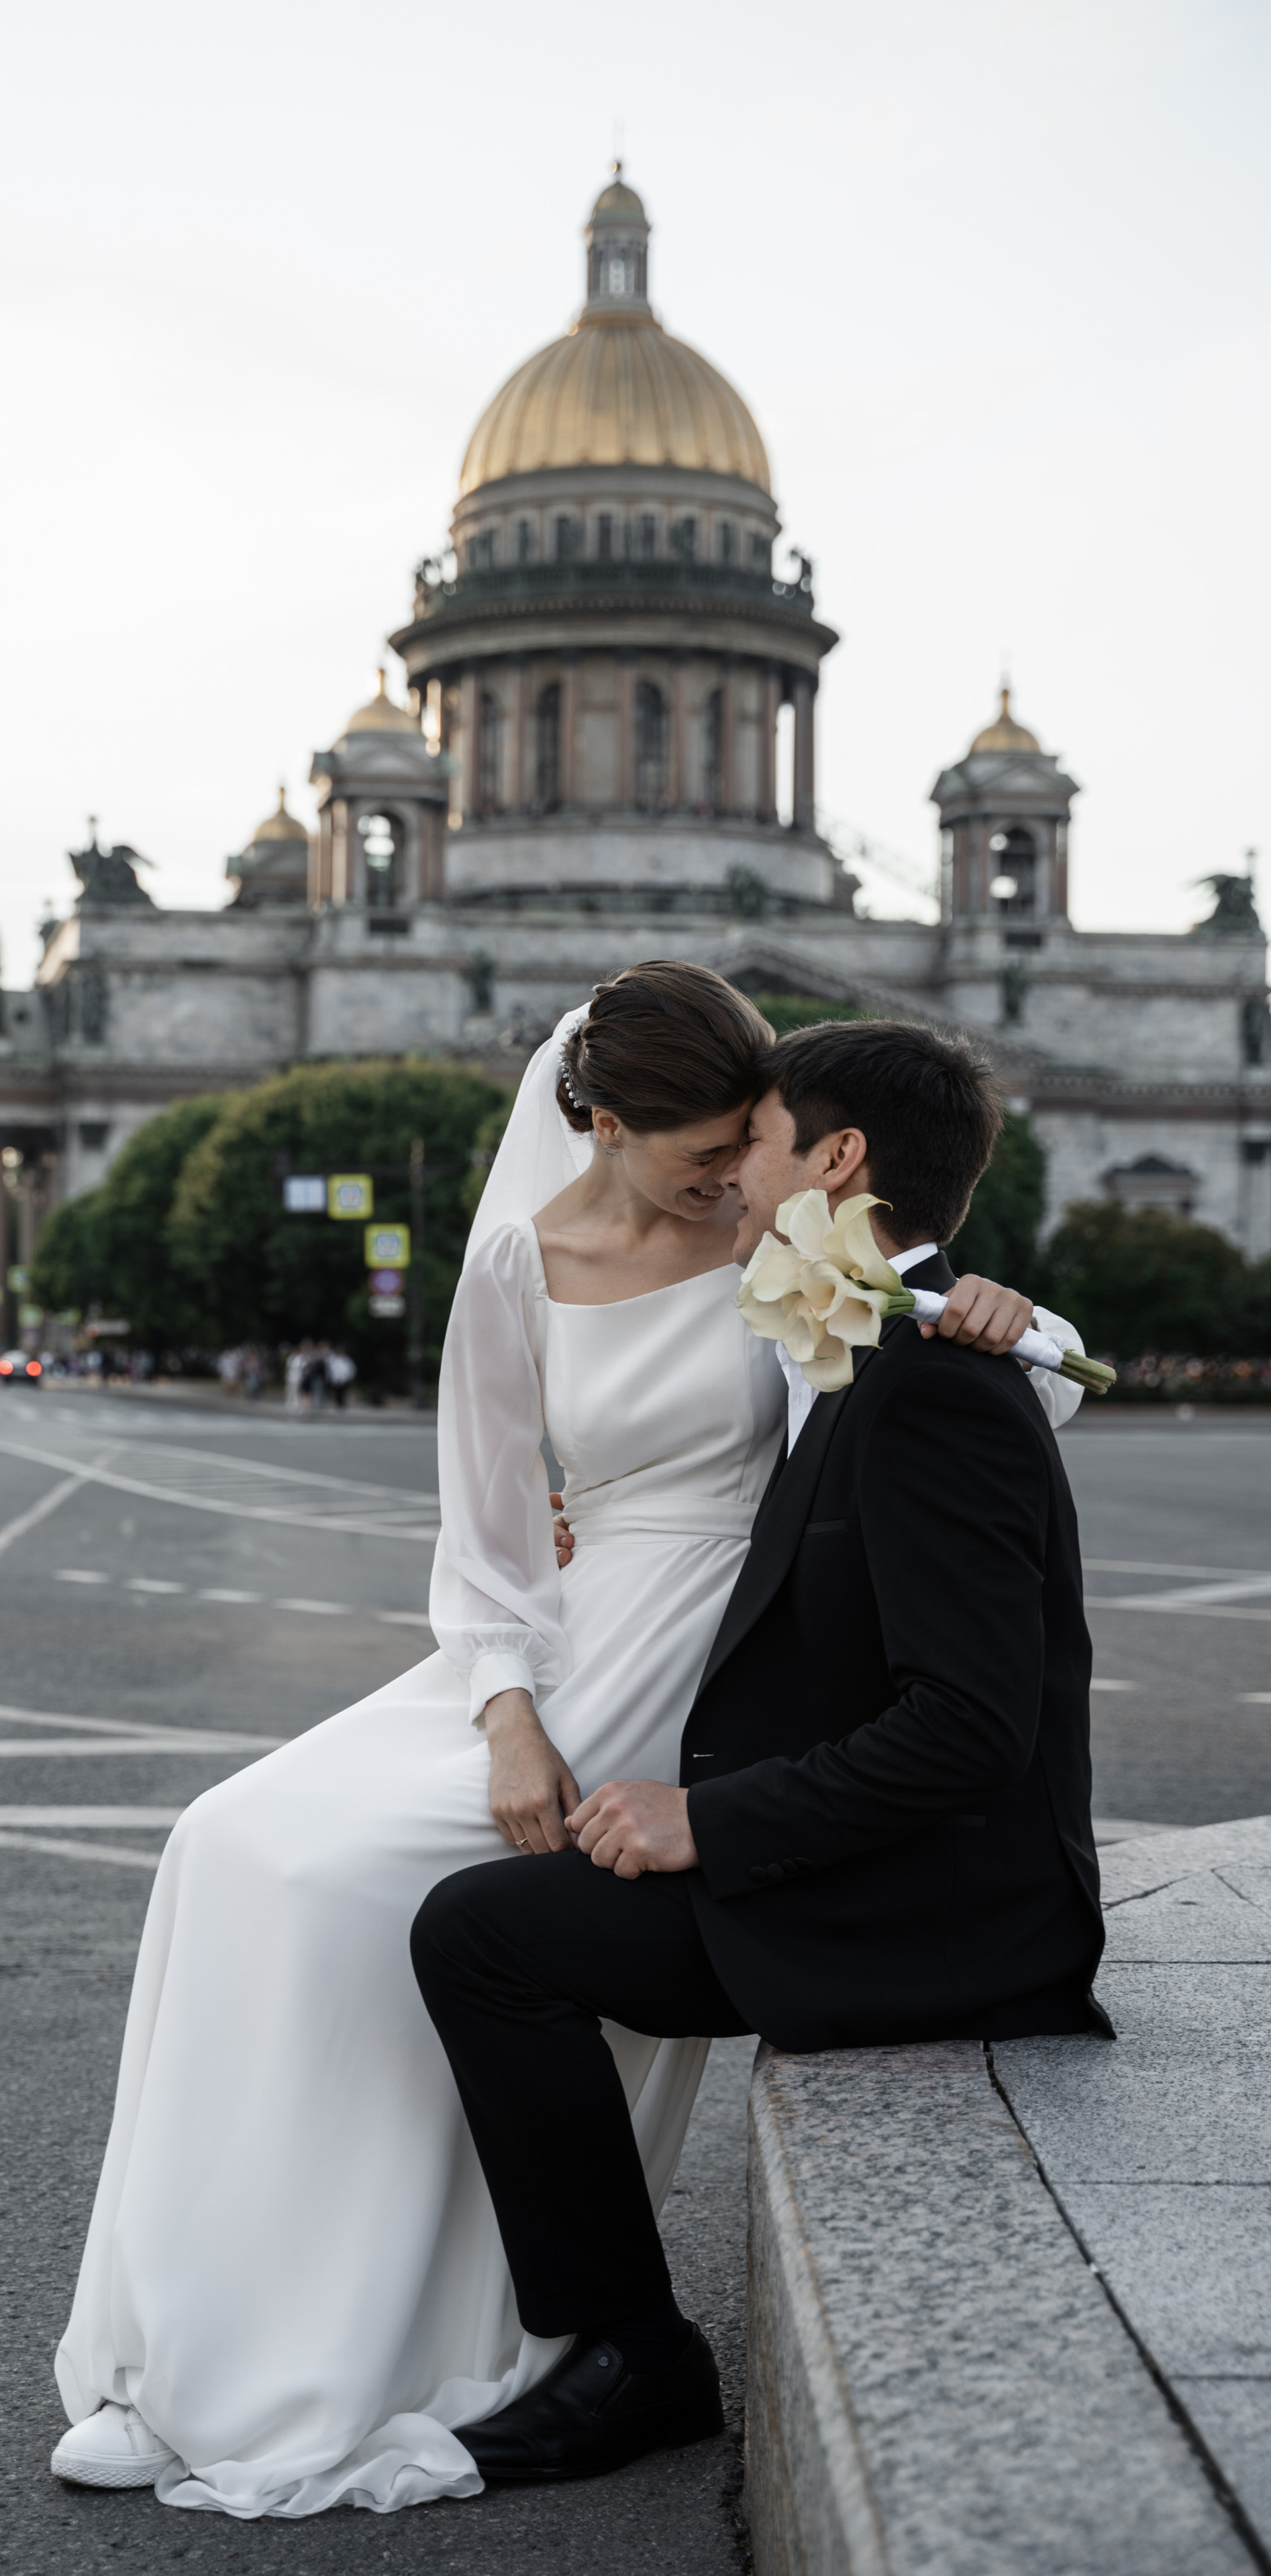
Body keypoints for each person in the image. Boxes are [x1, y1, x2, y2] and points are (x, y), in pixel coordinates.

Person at [49, 967, 1084, 2514]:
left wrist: (1022, 1310)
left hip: (719, 1671)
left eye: (752, 1140)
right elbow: (481, 1544)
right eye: (699, 1149)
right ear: (598, 1124)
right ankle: (206, 2346)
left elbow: (952, 1346)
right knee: (232, 1847)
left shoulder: (783, 1249)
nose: (729, 1176)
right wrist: (507, 1720)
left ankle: (412, 2345)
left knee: (378, 1904)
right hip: (561, 1647)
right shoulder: (523, 1262)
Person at [410, 1016, 1108, 2486]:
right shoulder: (870, 1333)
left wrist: (700, 1827)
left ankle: (629, 2355)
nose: (730, 1177)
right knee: (486, 1922)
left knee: (483, 1937)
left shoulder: (927, 1384)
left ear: (838, 1159)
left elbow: (969, 1733)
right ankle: (615, 2342)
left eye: (760, 1143)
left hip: (944, 1915)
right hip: (894, 1868)